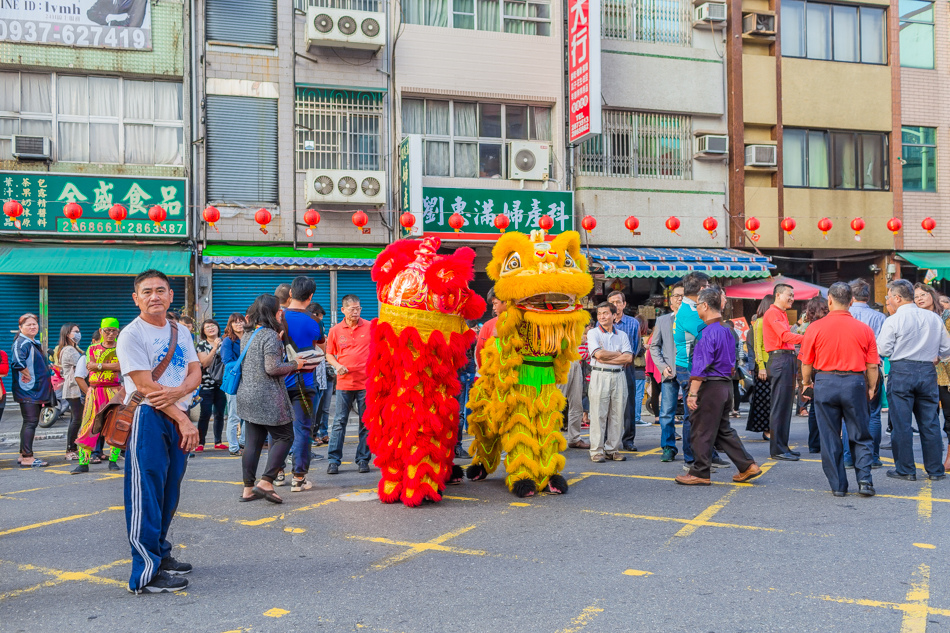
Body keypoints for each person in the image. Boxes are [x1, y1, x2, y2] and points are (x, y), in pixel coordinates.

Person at [117, 270, 201, 593]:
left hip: (178, 415)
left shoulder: (180, 331)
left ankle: (160, 554)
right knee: (146, 492)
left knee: (169, 490)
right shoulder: (131, 335)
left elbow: (195, 371)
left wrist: (179, 396)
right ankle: (145, 573)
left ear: (170, 295)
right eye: (147, 291)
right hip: (147, 417)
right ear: (136, 298)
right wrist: (182, 418)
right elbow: (145, 387)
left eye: (161, 290)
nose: (155, 296)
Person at [675, 286, 761, 486]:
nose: (696, 309)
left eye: (697, 305)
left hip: (710, 385)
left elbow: (700, 366)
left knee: (701, 429)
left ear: (705, 305)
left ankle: (700, 471)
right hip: (724, 385)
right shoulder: (727, 331)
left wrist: (692, 394)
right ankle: (747, 465)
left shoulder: (707, 333)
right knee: (723, 430)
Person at [799, 282, 879, 497]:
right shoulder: (864, 329)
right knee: (860, 434)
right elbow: (872, 365)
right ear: (851, 301)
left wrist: (807, 383)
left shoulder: (815, 328)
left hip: (825, 382)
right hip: (855, 383)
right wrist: (872, 387)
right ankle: (864, 481)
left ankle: (838, 486)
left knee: (829, 436)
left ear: (830, 301)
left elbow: (806, 363)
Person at [877, 279, 950, 481]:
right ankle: (935, 470)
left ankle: (906, 469)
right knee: (930, 422)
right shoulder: (934, 318)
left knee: (901, 423)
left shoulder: (893, 320)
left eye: (889, 296)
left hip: (901, 371)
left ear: (898, 298)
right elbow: (946, 349)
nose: (888, 300)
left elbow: (883, 350)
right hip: (927, 371)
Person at [237, 294, 307, 504]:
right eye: (279, 310)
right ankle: (266, 482)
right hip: (267, 397)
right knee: (286, 436)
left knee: (253, 443)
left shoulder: (248, 335)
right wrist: (296, 364)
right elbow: (272, 368)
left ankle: (248, 489)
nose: (281, 313)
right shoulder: (268, 335)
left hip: (247, 396)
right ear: (273, 313)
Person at [283, 276, 326, 492]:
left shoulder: (277, 318)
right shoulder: (315, 321)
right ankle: (298, 478)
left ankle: (277, 472)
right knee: (303, 430)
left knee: (278, 430)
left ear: (290, 293)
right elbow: (322, 347)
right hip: (304, 385)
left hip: (278, 383)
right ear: (310, 296)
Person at [326, 294, 373, 475]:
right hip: (344, 384)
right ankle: (333, 461)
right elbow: (329, 354)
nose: (356, 312)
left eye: (358, 308)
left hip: (366, 383)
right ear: (343, 310)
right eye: (352, 309)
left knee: (365, 423)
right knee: (339, 422)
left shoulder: (369, 327)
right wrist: (338, 365)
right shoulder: (335, 330)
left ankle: (363, 459)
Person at [72, 320, 123, 474]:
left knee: (116, 425)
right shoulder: (92, 348)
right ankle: (83, 463)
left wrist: (99, 366)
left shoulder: (122, 348)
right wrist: (88, 391)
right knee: (88, 425)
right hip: (95, 391)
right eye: (107, 331)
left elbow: (122, 366)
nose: (111, 334)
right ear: (101, 331)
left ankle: (113, 460)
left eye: (114, 331)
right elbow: (89, 366)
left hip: (115, 391)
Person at [762, 283, 804, 461]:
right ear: (778, 295)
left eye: (793, 295)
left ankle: (782, 446)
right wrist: (810, 336)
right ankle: (778, 449)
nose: (792, 298)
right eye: (789, 294)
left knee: (785, 406)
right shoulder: (772, 313)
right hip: (780, 360)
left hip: (785, 359)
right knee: (780, 406)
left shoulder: (781, 314)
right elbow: (785, 336)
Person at [587, 302, 632, 463]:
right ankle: (596, 451)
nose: (602, 317)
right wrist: (617, 355)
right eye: (599, 314)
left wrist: (608, 356)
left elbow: (628, 357)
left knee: (617, 413)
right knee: (598, 413)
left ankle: (612, 449)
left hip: (619, 376)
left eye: (605, 313)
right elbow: (598, 355)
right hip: (600, 375)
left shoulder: (622, 335)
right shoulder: (593, 333)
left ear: (614, 315)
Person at [849, 279, 886, 467]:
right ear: (868, 296)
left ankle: (849, 457)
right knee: (873, 413)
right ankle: (872, 456)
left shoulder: (844, 315)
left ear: (851, 296)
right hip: (873, 367)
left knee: (848, 414)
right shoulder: (880, 318)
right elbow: (883, 348)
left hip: (848, 369)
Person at [12, 313, 52, 467]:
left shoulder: (32, 342)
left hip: (35, 390)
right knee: (30, 422)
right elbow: (17, 361)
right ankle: (28, 457)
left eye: (34, 324)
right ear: (20, 327)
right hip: (28, 390)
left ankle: (24, 454)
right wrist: (25, 373)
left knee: (29, 422)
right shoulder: (21, 342)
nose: (33, 327)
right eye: (28, 324)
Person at [651, 282, 683, 462]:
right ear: (671, 299)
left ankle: (692, 447)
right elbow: (654, 346)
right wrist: (663, 367)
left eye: (683, 296)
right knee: (666, 412)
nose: (679, 298)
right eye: (677, 295)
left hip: (690, 372)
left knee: (692, 413)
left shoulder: (696, 319)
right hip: (669, 372)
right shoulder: (663, 320)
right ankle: (668, 447)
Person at [607, 290, 641, 451]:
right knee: (607, 404)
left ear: (624, 304)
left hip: (627, 368)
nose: (616, 305)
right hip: (607, 369)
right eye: (612, 303)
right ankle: (608, 439)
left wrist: (622, 359)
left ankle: (628, 440)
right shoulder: (604, 322)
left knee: (629, 405)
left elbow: (634, 349)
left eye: (618, 302)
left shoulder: (633, 323)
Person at [799, 297, 829, 454]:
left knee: (814, 408)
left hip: (813, 371)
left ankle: (814, 443)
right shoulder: (829, 326)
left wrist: (806, 381)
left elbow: (805, 359)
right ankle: (825, 442)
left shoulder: (809, 327)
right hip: (825, 371)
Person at [195, 319, 227, 451]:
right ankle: (200, 442)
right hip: (206, 385)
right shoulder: (201, 345)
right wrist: (214, 348)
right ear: (203, 331)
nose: (211, 328)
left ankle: (218, 441)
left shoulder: (225, 342)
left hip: (221, 384)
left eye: (213, 325)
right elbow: (204, 363)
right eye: (207, 327)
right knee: (205, 413)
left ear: (218, 328)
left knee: (220, 413)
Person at [55, 323, 84, 462]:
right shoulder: (69, 351)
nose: (78, 334)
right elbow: (83, 367)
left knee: (76, 419)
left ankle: (73, 447)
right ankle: (70, 449)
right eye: (76, 331)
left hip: (74, 388)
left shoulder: (72, 348)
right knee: (77, 419)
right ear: (68, 334)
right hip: (74, 388)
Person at [746, 296, 774, 440]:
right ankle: (766, 429)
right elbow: (757, 347)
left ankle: (770, 428)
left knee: (771, 399)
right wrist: (761, 367)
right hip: (762, 366)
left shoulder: (771, 322)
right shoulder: (760, 322)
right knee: (764, 400)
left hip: (771, 365)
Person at [221, 313, 247, 456]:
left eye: (241, 321)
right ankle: (233, 447)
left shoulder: (249, 337)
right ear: (230, 325)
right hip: (235, 380)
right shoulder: (228, 341)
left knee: (248, 414)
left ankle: (243, 442)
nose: (238, 324)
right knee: (234, 415)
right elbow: (227, 361)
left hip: (249, 381)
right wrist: (245, 365)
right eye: (235, 322)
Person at [306, 302, 331, 445]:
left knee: (321, 409)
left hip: (322, 375)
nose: (320, 320)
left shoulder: (320, 328)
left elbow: (326, 352)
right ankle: (310, 438)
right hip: (311, 376)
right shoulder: (307, 330)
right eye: (319, 316)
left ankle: (318, 434)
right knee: (311, 411)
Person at [475, 288, 505, 368]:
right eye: (493, 304)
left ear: (506, 302)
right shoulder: (487, 326)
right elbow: (480, 350)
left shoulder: (519, 323)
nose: (493, 308)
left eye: (495, 304)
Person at [632, 315, 650, 427]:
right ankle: (637, 418)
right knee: (638, 395)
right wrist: (645, 347)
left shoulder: (631, 334)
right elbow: (638, 351)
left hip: (631, 368)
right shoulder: (637, 336)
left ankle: (634, 417)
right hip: (638, 369)